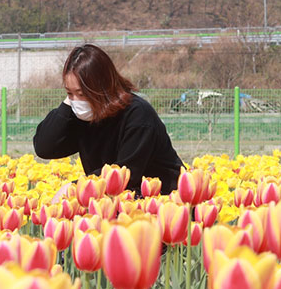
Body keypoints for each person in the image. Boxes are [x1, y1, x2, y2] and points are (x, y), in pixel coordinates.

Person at [33, 43, 184, 194]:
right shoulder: (82, 115)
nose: (77, 101)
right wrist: (67, 105)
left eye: (82, 94)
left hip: (163, 202)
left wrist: (74, 187)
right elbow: (45, 148)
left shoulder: (137, 115)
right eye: (69, 93)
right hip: (115, 201)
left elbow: (125, 174)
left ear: (102, 89)